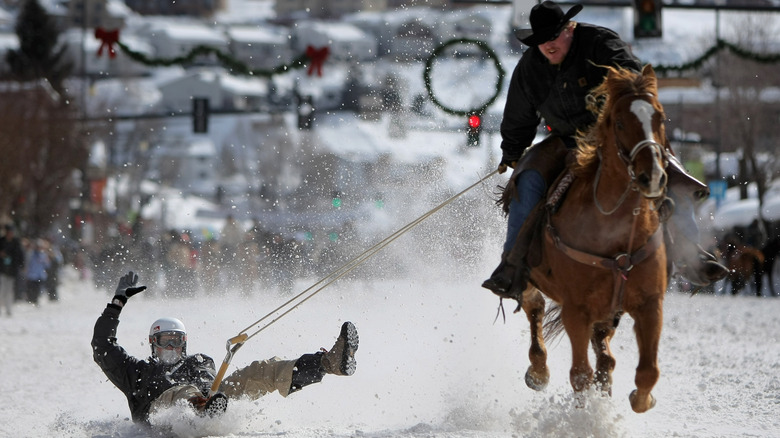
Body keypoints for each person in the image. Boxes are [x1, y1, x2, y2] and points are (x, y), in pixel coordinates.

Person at [481, 1, 728, 302]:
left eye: (554, 35)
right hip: (567, 140)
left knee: (671, 175)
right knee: (527, 179)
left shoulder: (601, 44)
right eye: (541, 39)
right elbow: (519, 117)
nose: (548, 43)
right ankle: (513, 264)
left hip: (620, 136)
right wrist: (513, 152)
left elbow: (634, 83)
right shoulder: (530, 68)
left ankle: (691, 255)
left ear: (569, 28)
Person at [92, 271, 359, 423]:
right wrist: (117, 303)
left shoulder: (197, 361)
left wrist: (213, 394)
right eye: (165, 342)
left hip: (213, 404)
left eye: (177, 341)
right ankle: (200, 407)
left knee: (257, 372)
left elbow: (214, 383)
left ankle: (328, 364)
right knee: (183, 391)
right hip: (165, 422)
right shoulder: (137, 373)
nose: (171, 347)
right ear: (153, 344)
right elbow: (102, 347)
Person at [0, 224, 25, 316]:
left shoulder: (16, 242)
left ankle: (8, 309)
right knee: (2, 290)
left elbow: (20, 255)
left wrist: (21, 265)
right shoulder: (1, 241)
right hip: (2, 269)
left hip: (11, 270)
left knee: (9, 290)